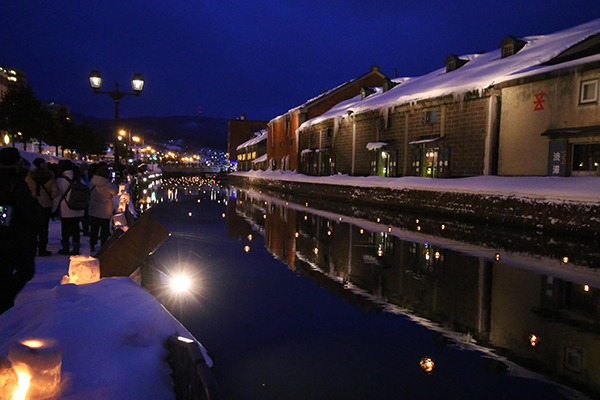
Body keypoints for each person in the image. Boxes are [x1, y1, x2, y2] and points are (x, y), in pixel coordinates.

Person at [0, 148, 39, 314]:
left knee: (4, 270)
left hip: (5, 233)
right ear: (17, 161)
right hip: (16, 235)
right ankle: (4, 301)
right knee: (25, 270)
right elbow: (28, 209)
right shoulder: (16, 182)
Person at [25, 158, 59, 256]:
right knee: (44, 228)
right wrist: (49, 198)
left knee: (32, 228)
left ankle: (32, 248)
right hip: (45, 204)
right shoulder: (50, 176)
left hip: (32, 204)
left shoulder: (29, 177)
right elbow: (55, 191)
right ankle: (42, 249)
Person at [56, 160, 85, 255]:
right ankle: (76, 247)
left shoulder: (61, 180)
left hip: (65, 207)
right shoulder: (79, 179)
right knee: (76, 228)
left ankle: (66, 247)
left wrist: (53, 209)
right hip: (78, 207)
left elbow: (57, 196)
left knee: (65, 228)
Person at [88, 166, 118, 251]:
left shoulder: (92, 182)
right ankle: (103, 244)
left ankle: (92, 244)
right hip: (105, 209)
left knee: (94, 227)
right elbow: (115, 192)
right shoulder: (108, 185)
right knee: (104, 228)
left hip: (93, 208)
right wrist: (115, 183)